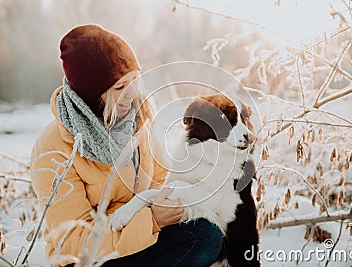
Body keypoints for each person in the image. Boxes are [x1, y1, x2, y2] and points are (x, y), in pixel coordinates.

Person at [30, 24, 223, 267]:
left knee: (206, 235)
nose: (132, 94)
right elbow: (69, 241)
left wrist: (174, 202)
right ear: (92, 95)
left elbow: (161, 182)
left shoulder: (138, 119)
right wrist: (150, 222)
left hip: (140, 238)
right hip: (91, 258)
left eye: (134, 80)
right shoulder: (54, 146)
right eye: (120, 87)